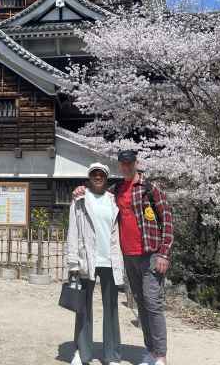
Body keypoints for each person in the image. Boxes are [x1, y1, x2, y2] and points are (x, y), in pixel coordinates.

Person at [73, 150, 174, 365]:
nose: (127, 167)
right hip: (127, 256)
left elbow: (167, 219)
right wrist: (81, 188)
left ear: (136, 163)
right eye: (123, 164)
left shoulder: (149, 188)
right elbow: (96, 193)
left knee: (153, 303)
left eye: (130, 164)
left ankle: (160, 355)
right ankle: (150, 351)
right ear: (120, 166)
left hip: (150, 254)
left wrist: (164, 253)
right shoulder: (116, 190)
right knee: (141, 301)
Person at [66, 163, 124, 365]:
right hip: (86, 259)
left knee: (112, 308)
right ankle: (82, 353)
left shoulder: (113, 200)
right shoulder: (80, 199)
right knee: (83, 307)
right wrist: (72, 262)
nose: (98, 177)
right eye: (94, 174)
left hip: (110, 259)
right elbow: (73, 231)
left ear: (106, 178)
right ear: (89, 177)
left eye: (101, 174)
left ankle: (112, 355)